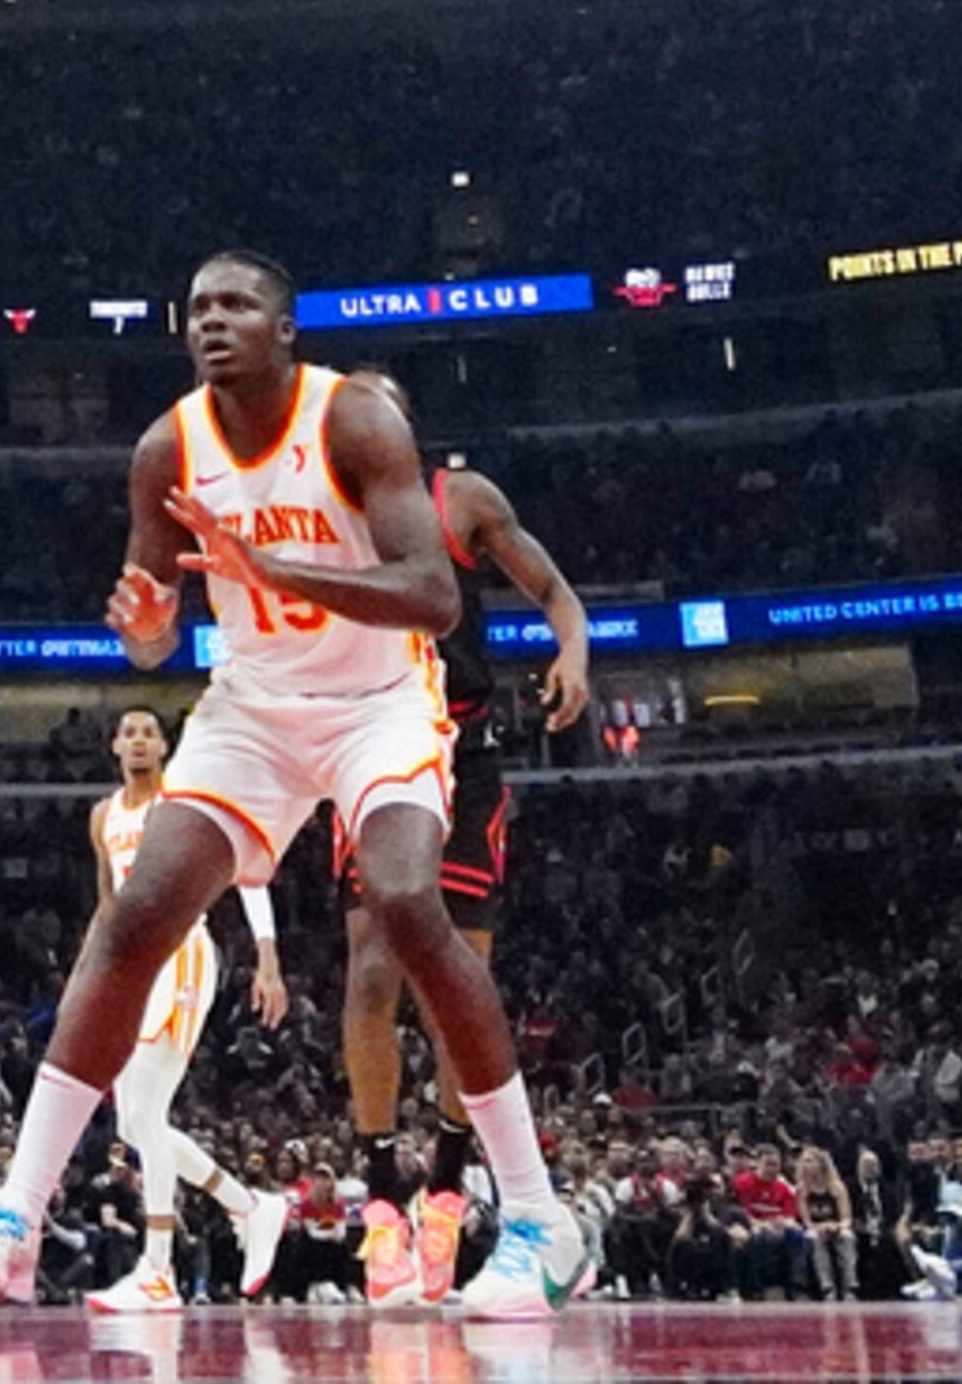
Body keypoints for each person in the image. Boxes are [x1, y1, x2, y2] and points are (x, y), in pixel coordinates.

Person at [0, 251, 588, 1321]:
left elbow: (435, 598)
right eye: (195, 307)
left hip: (382, 701)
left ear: (286, 326)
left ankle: (537, 1216)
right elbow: (152, 627)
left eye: (237, 303)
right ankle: (15, 1214)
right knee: (139, 906)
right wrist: (145, 630)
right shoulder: (166, 446)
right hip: (254, 708)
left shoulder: (358, 419)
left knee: (410, 905)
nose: (212, 320)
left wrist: (282, 573)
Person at [334, 365, 593, 1306]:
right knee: (371, 966)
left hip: (464, 748)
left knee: (458, 976)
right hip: (368, 749)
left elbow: (555, 590)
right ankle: (379, 1195)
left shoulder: (462, 497)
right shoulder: (320, 518)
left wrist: (573, 650)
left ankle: (446, 1182)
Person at [76, 705, 294, 1311]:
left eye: (149, 731)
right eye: (129, 730)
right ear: (115, 745)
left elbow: (249, 873)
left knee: (147, 1111)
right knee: (131, 1124)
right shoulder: (103, 817)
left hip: (181, 952)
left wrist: (267, 959)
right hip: (131, 962)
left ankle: (158, 1267)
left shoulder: (184, 800)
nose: (139, 739)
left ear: (164, 746)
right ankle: (248, 1207)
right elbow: (108, 905)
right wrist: (90, 972)